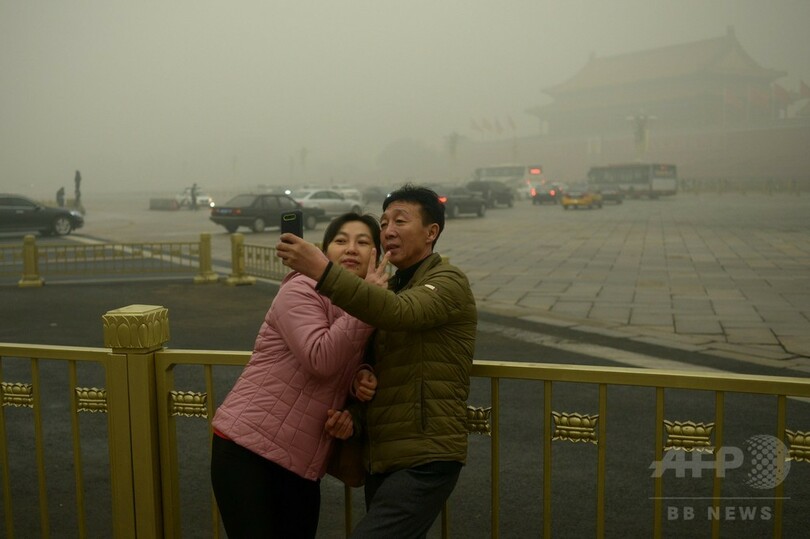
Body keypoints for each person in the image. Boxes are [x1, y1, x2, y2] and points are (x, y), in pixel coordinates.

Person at [277, 183, 477, 538]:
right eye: (384, 223)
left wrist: (323, 271)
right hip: (383, 456)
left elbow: (401, 314)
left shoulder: (448, 281)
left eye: (400, 221)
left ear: (432, 232)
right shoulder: (391, 286)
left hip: (425, 455)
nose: (388, 231)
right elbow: (380, 371)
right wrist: (353, 409)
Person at [210, 212, 388, 538]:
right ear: (323, 252)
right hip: (247, 450)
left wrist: (359, 380)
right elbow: (319, 357)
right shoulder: (302, 287)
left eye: (363, 242)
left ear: (376, 255)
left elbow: (341, 365)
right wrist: (367, 302)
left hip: (302, 462)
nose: (351, 249)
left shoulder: (364, 306)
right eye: (340, 240)